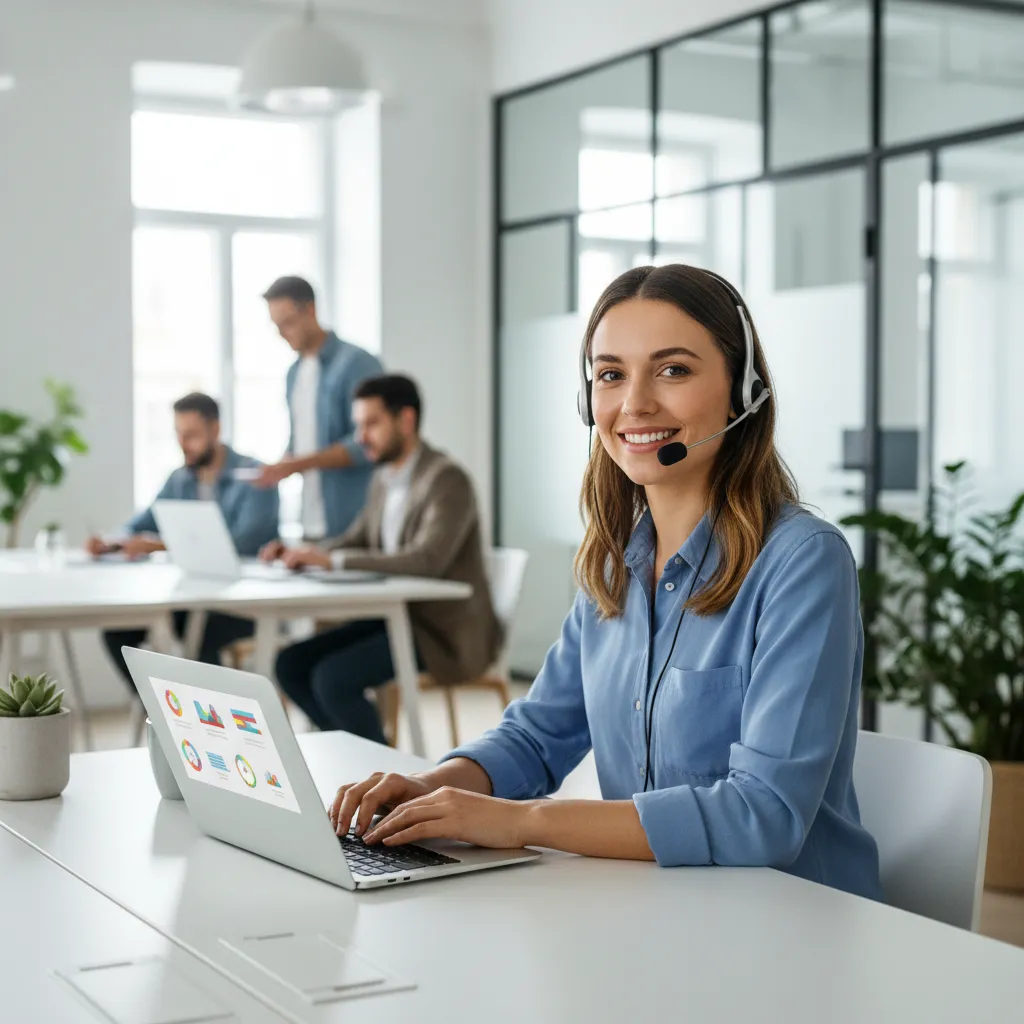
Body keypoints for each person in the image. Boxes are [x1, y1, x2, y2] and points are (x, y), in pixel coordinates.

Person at [325, 264, 884, 902]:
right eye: (611, 374)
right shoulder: (614, 565)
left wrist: (519, 823)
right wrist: (435, 787)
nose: (634, 404)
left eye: (673, 370)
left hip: (793, 919)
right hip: (663, 904)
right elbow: (538, 736)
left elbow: (764, 816)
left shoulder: (802, 561)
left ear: (743, 390)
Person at [262, 374, 501, 744]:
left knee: (332, 679)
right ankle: (353, 756)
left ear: (405, 421)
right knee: (290, 664)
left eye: (371, 424)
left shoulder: (447, 480)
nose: (360, 438)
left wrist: (335, 562)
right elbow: (355, 539)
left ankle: (379, 772)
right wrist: (301, 552)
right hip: (396, 618)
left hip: (439, 632)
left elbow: (426, 559)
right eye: (358, 425)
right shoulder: (382, 480)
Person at [88, 392, 279, 687]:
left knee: (199, 635)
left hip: (244, 603)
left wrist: (160, 545)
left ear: (215, 430)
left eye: (191, 434)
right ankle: (164, 714)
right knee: (118, 632)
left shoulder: (255, 476)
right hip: (191, 598)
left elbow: (242, 543)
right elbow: (144, 521)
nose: (183, 443)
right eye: (178, 434)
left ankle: (212, 727)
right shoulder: (180, 479)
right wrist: (111, 541)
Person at [255, 276, 383, 540]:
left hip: (352, 523)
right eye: (276, 326)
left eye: (287, 323)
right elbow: (299, 441)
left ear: (310, 311)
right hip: (310, 523)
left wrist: (302, 462)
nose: (282, 334)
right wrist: (281, 466)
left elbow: (367, 444)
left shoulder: (357, 364)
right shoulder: (294, 374)